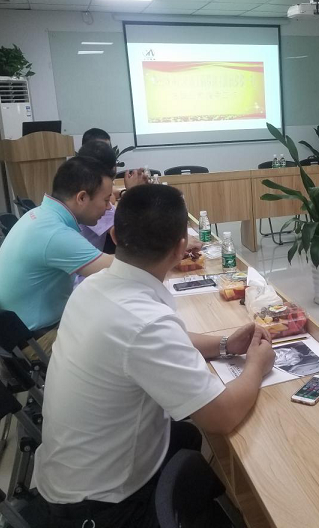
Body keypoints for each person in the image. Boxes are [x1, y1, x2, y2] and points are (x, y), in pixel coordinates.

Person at [34, 184, 276, 528]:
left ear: (114, 235)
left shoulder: (94, 286)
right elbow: (221, 417)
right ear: (180, 248)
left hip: (77, 472)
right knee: (211, 439)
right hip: (101, 508)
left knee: (189, 439)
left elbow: (152, 342)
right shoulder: (144, 322)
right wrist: (256, 365)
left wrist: (225, 344)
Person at [0, 157, 115, 353]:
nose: (109, 208)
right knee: (123, 338)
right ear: (82, 198)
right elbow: (116, 269)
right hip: (39, 342)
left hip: (23, 331)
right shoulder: (54, 233)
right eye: (106, 200)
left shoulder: (40, 215)